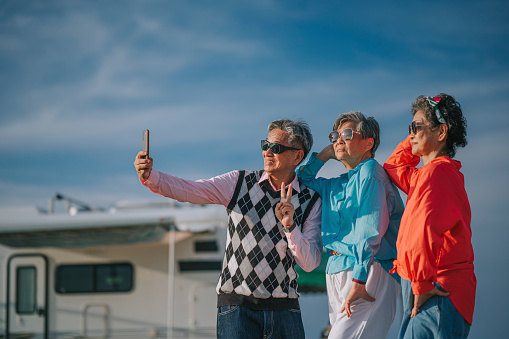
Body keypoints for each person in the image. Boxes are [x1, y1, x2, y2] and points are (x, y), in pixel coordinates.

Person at [134, 119, 322, 339]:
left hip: (285, 309)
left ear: (297, 156)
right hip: (237, 306)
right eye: (265, 145)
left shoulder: (311, 200)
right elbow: (191, 190)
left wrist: (290, 227)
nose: (267, 152)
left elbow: (310, 263)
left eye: (276, 148)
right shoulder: (239, 183)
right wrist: (151, 177)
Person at [295, 111, 404, 339]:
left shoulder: (371, 172)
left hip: (368, 270)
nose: (339, 139)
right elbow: (300, 179)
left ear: (368, 143)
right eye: (335, 135)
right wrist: (327, 153)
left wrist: (360, 277)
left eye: (347, 133)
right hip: (336, 270)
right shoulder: (336, 185)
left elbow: (369, 227)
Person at [384, 94, 476, 338]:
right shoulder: (425, 176)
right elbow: (394, 166)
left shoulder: (439, 174)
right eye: (409, 128)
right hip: (424, 285)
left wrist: (422, 284)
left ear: (441, 132)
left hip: (436, 288)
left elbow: (422, 231)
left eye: (416, 127)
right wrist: (415, 135)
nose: (411, 133)